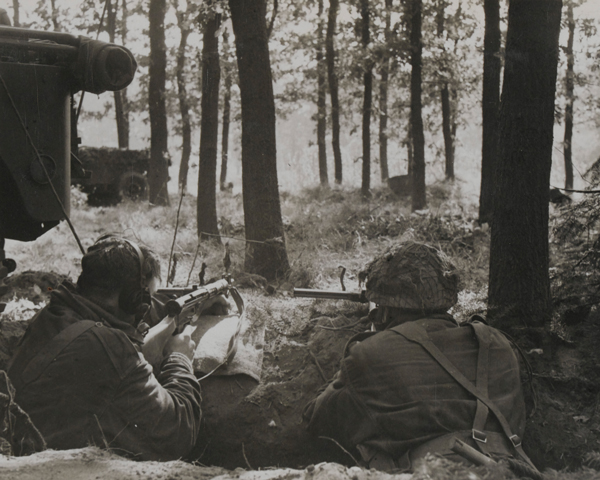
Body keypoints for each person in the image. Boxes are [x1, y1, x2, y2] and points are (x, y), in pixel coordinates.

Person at [304, 241, 536, 472]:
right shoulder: (496, 342)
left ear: (383, 309)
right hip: (511, 471)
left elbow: (316, 421)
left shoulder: (370, 354)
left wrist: (356, 360)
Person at [7, 236, 205, 461]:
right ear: (132, 299)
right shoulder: (109, 347)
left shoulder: (53, 315)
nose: (144, 309)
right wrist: (179, 357)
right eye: (144, 302)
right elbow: (177, 432)